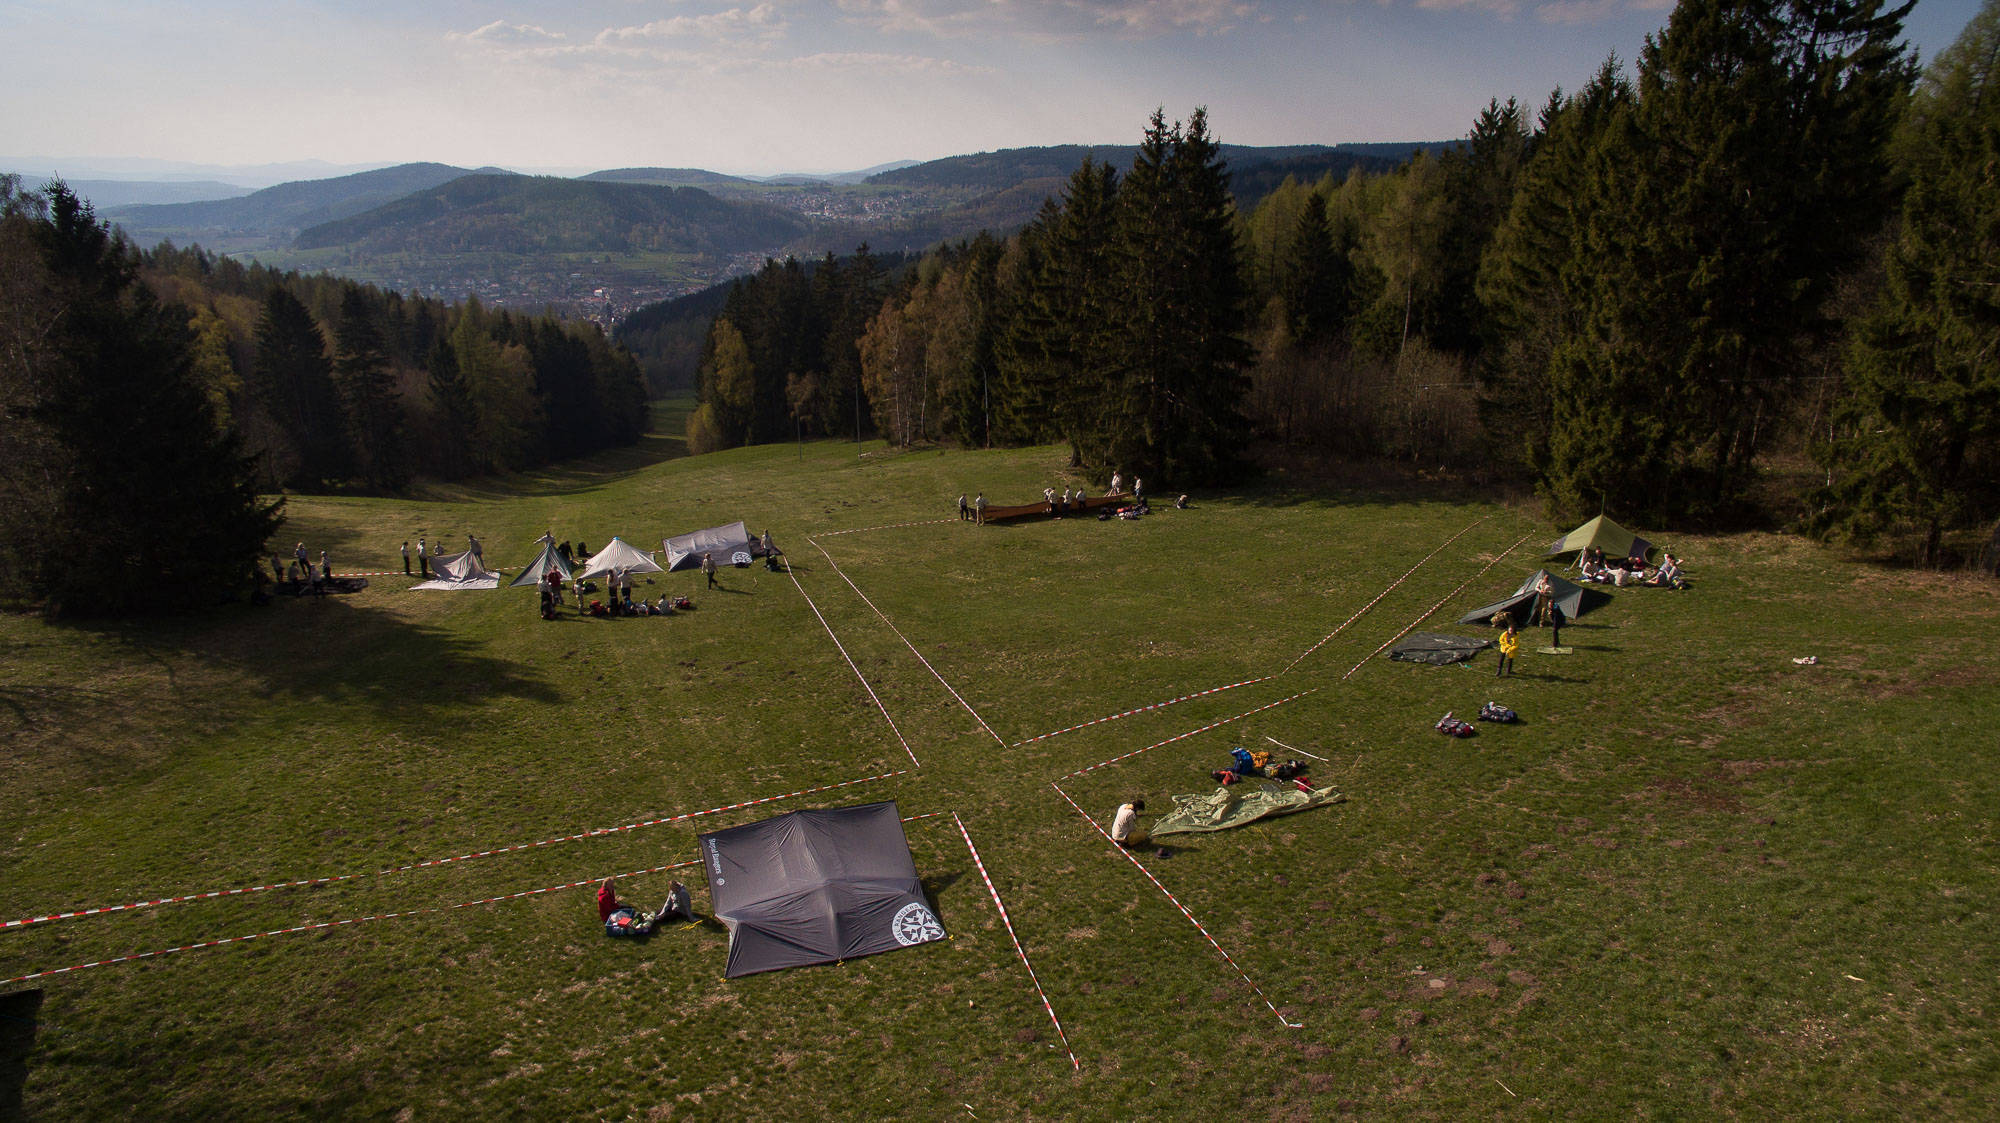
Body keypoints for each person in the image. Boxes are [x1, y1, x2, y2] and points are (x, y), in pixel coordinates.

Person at [597, 878, 683, 938]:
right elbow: (611, 908)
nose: (613, 886)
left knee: (631, 910)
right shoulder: (605, 896)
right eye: (611, 885)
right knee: (631, 913)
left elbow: (613, 903)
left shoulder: (609, 891)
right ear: (607, 885)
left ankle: (664, 913)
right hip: (610, 914)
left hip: (614, 910)